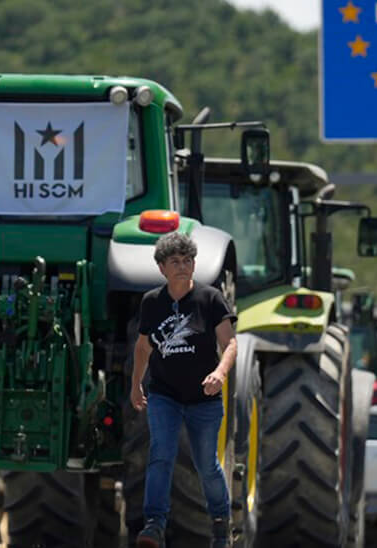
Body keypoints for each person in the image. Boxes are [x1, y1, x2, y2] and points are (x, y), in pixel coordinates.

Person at [131, 231, 237, 548]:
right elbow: (142, 347)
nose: (182, 266)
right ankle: (154, 526)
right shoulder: (152, 302)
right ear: (162, 267)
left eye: (187, 260)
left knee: (206, 464)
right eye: (175, 261)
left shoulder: (210, 299)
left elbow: (229, 343)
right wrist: (136, 384)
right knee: (161, 455)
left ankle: (220, 525)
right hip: (164, 396)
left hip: (203, 399)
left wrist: (220, 372)